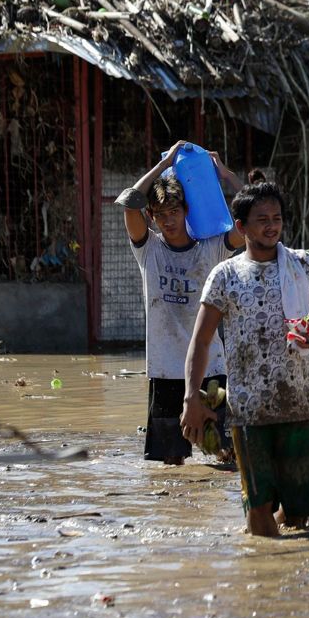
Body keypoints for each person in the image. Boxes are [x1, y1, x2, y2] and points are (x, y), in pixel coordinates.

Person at [180, 182, 309, 536]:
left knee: (299, 515)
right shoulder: (225, 276)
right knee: (259, 513)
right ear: (241, 227)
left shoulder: (303, 264)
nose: (272, 226)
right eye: (262, 219)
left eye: (277, 218)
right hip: (249, 411)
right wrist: (191, 397)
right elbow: (201, 342)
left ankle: (284, 581)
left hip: (298, 403)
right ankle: (261, 580)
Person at [116, 140, 243, 466]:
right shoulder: (149, 250)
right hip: (165, 370)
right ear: (153, 217)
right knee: (171, 465)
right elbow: (130, 204)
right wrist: (163, 165)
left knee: (226, 457)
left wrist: (226, 176)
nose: (168, 221)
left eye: (174, 212)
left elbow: (253, 220)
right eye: (160, 215)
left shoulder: (211, 248)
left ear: (187, 211)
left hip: (212, 369)